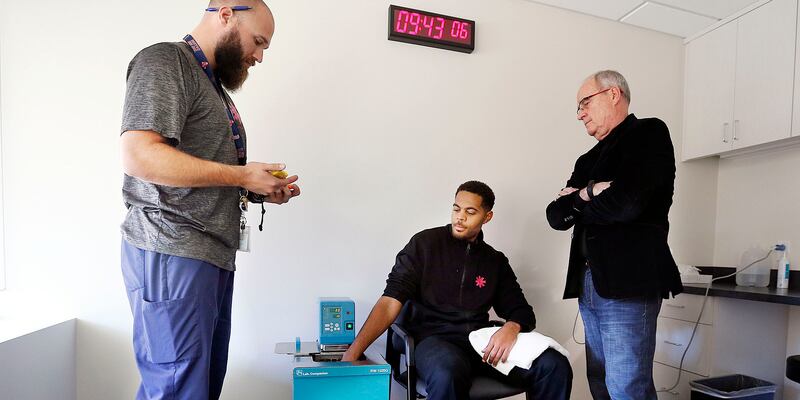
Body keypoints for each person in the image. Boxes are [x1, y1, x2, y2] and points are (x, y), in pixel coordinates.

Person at [119, 1, 300, 398]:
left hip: (207, 256)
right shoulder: (166, 62)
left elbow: (194, 169)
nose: (259, 56)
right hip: (173, 249)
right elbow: (139, 155)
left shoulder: (212, 85)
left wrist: (254, 186)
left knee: (198, 388)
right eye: (258, 41)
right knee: (176, 388)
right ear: (225, 14)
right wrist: (240, 174)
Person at [342, 181, 572, 400]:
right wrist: (353, 352)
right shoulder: (424, 245)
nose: (460, 217)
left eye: (470, 212)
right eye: (456, 209)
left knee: (554, 365)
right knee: (447, 372)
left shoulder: (494, 261)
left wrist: (511, 327)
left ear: (487, 216)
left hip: (478, 343)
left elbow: (521, 310)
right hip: (432, 340)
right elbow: (390, 301)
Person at [545, 70, 683, 399]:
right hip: (589, 282)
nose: (580, 113)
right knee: (600, 380)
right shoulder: (587, 159)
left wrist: (578, 199)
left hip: (629, 281)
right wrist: (592, 192)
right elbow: (556, 216)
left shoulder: (648, 133)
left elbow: (628, 205)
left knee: (626, 386)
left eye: (585, 103)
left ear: (613, 94)